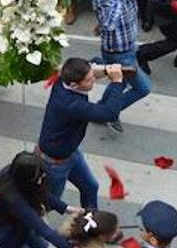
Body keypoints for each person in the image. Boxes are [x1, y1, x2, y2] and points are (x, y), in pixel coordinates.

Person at [36, 58, 128, 209]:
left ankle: (90, 224)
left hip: (70, 151)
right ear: (74, 84)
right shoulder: (71, 105)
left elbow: (86, 68)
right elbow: (109, 113)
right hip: (55, 162)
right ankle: (35, 230)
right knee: (49, 204)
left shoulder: (63, 81)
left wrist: (104, 70)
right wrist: (117, 82)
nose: (94, 81)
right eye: (89, 80)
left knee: (90, 187)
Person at [91, 0, 161, 130]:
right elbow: (108, 25)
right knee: (143, 88)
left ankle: (101, 108)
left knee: (120, 82)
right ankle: (109, 112)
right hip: (117, 52)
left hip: (129, 48)